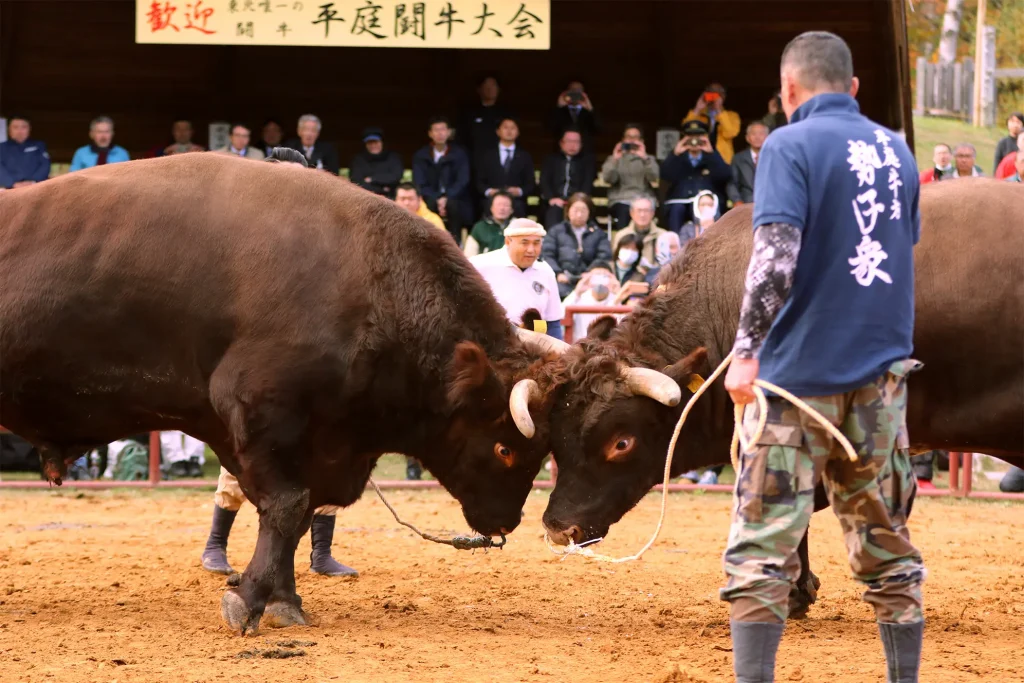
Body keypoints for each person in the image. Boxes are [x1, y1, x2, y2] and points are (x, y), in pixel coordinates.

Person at [720, 31, 925, 682]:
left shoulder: (787, 143)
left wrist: (745, 351)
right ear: (854, 88)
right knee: (886, 543)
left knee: (762, 545)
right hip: (880, 381)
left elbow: (775, 257)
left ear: (788, 90)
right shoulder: (896, 151)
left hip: (794, 383)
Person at [200, 145, 357, 579]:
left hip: (313, 362)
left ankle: (321, 552)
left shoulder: (327, 237)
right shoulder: (243, 233)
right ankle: (215, 544)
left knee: (327, 453)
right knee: (248, 454)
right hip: (261, 363)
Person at [469, 218, 564, 340]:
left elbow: (552, 322)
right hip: (490, 342)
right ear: (508, 241)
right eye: (524, 243)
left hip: (533, 345)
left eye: (536, 243)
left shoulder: (545, 271)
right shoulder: (480, 265)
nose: (531, 249)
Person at [541, 193, 612, 298]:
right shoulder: (556, 232)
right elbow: (547, 255)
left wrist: (590, 273)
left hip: (590, 281)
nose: (579, 215)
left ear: (589, 212)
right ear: (568, 210)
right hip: (561, 280)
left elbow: (603, 256)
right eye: (575, 210)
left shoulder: (599, 234)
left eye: (583, 211)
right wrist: (558, 273)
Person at [600, 124, 659, 231]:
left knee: (644, 210)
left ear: (641, 140)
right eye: (629, 137)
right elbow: (608, 178)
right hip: (621, 198)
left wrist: (644, 158)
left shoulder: (648, 158)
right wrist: (615, 159)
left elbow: (654, 177)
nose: (632, 140)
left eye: (635, 137)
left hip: (643, 197)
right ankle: (625, 244)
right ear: (623, 140)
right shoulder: (614, 158)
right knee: (623, 210)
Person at [561, 262, 623, 342]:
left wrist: (619, 295)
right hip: (580, 347)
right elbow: (560, 315)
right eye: (596, 276)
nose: (600, 281)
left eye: (604, 276)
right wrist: (577, 292)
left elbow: (622, 324)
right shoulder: (579, 297)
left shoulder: (615, 299)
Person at [682, 83, 742, 163]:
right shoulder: (698, 115)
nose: (713, 97)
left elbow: (730, 133)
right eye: (711, 93)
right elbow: (685, 129)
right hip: (700, 157)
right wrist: (697, 109)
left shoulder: (732, 116)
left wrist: (719, 111)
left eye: (717, 94)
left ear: (723, 97)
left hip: (723, 159)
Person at [350, 127, 403, 198]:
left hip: (391, 199)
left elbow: (396, 177)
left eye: (376, 142)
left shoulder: (393, 158)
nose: (373, 145)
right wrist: (382, 189)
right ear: (365, 145)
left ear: (382, 142)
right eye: (370, 143)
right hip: (366, 199)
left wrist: (372, 179)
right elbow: (356, 182)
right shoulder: (358, 160)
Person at [0, 116, 50, 188]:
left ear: (29, 129)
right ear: (9, 129)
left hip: (35, 187)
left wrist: (33, 181)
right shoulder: (1, 148)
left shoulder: (39, 146)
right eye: (15, 127)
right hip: (8, 189)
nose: (19, 131)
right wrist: (11, 183)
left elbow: (45, 165)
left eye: (24, 127)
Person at [727, 122, 768, 206]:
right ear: (747, 138)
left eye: (761, 133)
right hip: (746, 203)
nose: (757, 137)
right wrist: (737, 201)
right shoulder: (738, 158)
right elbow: (732, 183)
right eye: (753, 134)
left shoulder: (775, 157)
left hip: (770, 203)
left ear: (767, 137)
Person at [465, 191, 514, 257]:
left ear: (512, 210)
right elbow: (469, 255)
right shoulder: (479, 227)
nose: (502, 208)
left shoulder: (518, 227)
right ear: (491, 208)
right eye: (498, 204)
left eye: (506, 205)